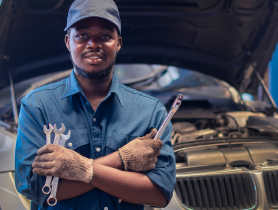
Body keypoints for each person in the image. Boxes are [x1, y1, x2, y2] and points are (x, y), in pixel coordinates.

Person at [15, 0, 176, 209]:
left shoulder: (151, 111)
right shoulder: (38, 105)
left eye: (105, 36)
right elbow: (38, 189)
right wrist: (121, 160)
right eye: (82, 36)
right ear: (67, 42)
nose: (93, 44)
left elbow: (160, 193)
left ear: (118, 43)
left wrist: (80, 169)